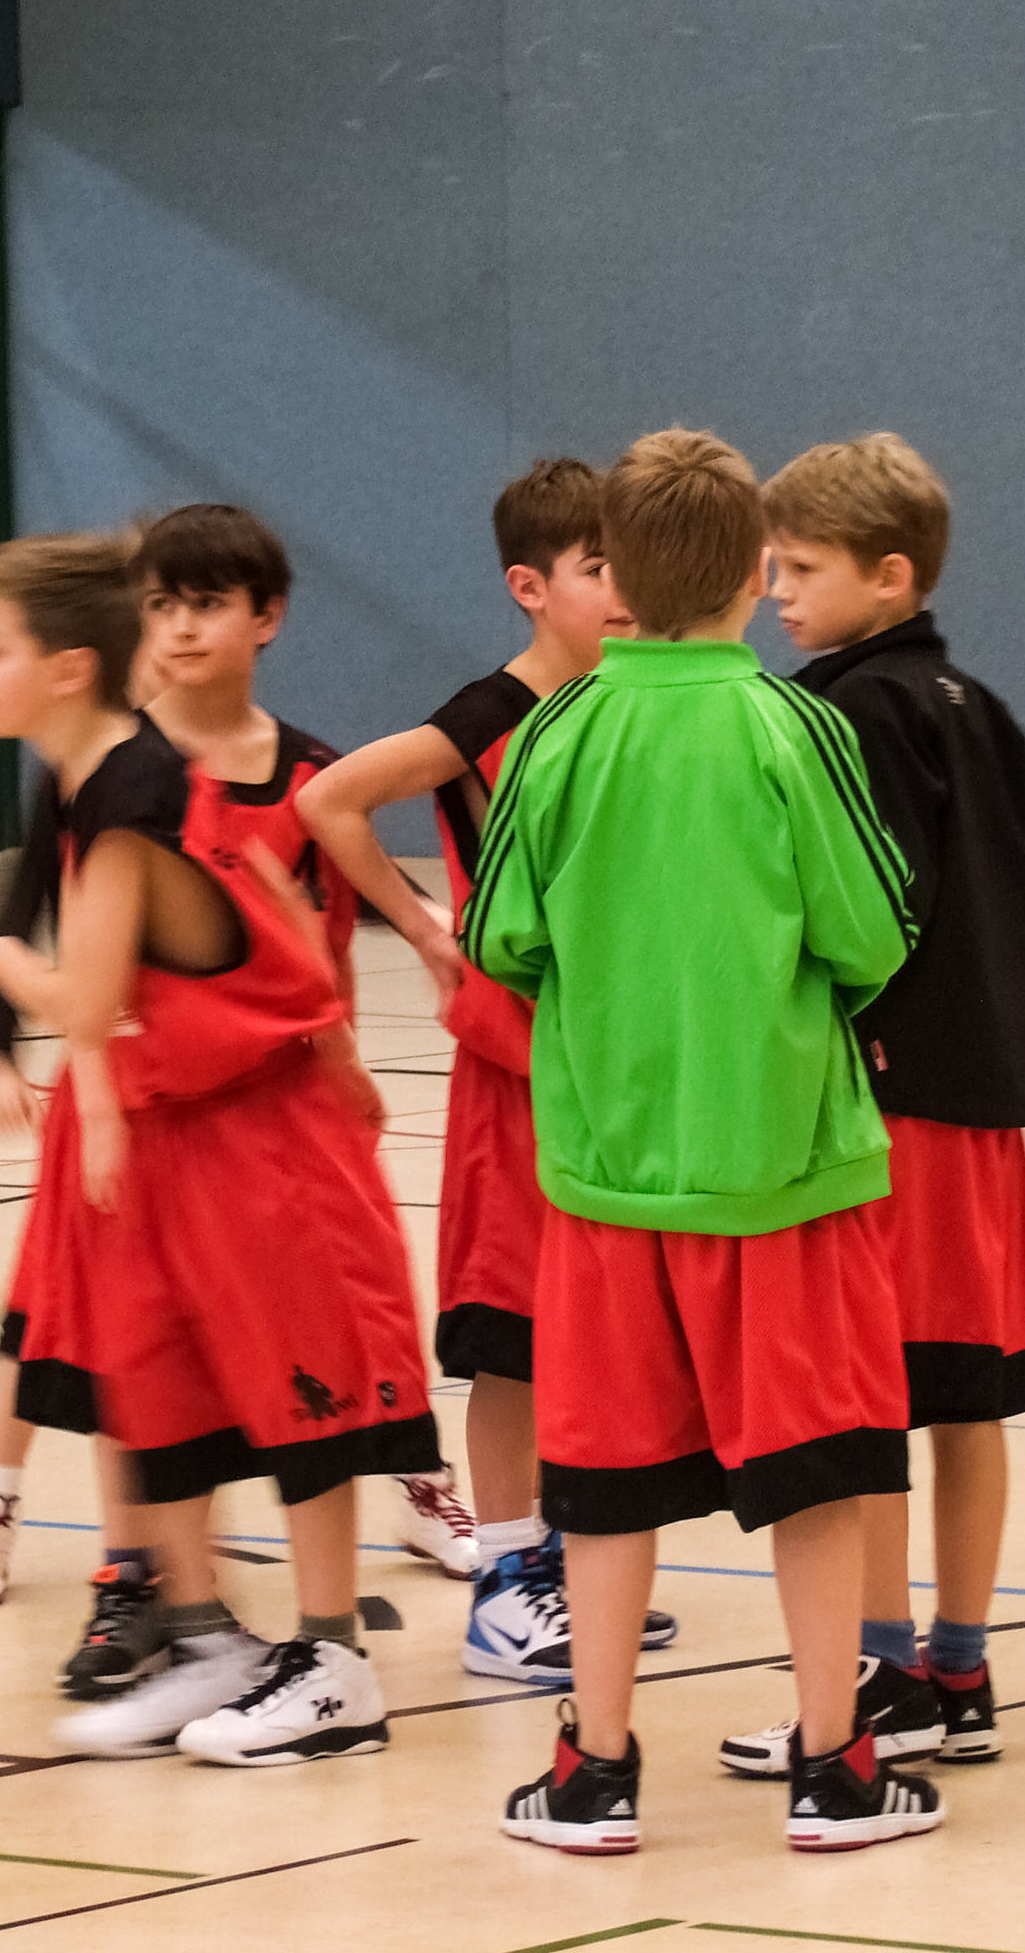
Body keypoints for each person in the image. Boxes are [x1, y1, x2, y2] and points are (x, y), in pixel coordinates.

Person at [469, 428, 939, 1854]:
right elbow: (871, 931)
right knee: (815, 1469)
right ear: (750, 573)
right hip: (783, 1166)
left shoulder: (553, 735)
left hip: (609, 1172)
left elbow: (500, 935)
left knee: (606, 1481)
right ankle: (832, 1766)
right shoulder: (795, 729)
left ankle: (594, 1770)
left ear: (613, 577)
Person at [0, 504, 477, 1706]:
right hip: (166, 1110)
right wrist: (91, 1092)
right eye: (162, 604)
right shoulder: (114, 776)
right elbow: (236, 924)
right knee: (138, 1375)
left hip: (255, 1117)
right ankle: (191, 1624)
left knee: (302, 1386)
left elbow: (134, 973)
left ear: (67, 665)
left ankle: (328, 1655)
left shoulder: (149, 788)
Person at [713, 433, 1025, 1781]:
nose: (776, 591)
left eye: (801, 569)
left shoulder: (842, 714)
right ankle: (957, 1666)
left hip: (885, 1106)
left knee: (861, 1396)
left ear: (889, 573)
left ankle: (874, 1671)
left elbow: (866, 912)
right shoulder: (982, 706)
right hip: (980, 1102)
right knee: (963, 1393)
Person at [298, 458, 677, 1683]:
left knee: (588, 1324)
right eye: (596, 567)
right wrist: (423, 929)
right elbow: (331, 801)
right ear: (529, 585)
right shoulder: (487, 713)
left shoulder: (630, 699)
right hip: (512, 1069)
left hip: (606, 1064)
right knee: (511, 1331)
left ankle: (566, 1561)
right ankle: (508, 1584)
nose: (621, 588)